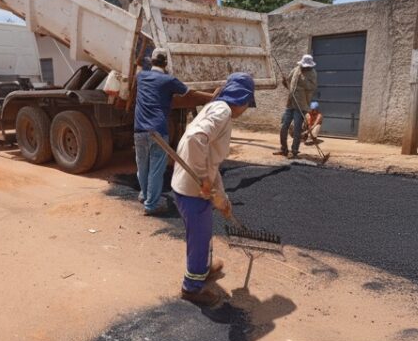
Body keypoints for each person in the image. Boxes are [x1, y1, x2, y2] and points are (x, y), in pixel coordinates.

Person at [171, 72, 256, 307]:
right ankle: (191, 288)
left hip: (192, 186)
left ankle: (204, 269)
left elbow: (211, 162)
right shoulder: (223, 112)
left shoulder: (216, 108)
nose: (246, 109)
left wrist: (223, 199)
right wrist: (201, 178)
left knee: (204, 233)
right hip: (192, 190)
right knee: (199, 238)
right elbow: (194, 139)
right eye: (247, 103)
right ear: (242, 99)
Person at [134, 48, 206, 216]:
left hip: (139, 129)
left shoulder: (141, 77)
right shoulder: (169, 80)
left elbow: (138, 65)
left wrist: (140, 54)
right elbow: (189, 93)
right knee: (156, 169)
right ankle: (151, 206)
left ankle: (144, 195)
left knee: (142, 166)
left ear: (152, 61)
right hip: (158, 130)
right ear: (165, 63)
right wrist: (212, 96)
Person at [274, 54, 317, 158]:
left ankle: (294, 151)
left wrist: (302, 82)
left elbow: (312, 87)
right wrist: (284, 81)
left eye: (306, 66)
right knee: (283, 126)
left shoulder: (312, 74)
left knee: (297, 129)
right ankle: (283, 149)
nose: (304, 67)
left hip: (301, 104)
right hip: (290, 103)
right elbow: (288, 83)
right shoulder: (296, 69)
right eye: (303, 65)